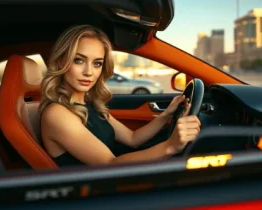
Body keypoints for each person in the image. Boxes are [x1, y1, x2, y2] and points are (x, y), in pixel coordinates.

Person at [39, 25, 201, 167]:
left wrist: (167, 114)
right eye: (79, 60)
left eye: (97, 63)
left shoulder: (90, 103)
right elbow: (110, 164)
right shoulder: (57, 114)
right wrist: (171, 146)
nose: (89, 72)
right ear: (61, 62)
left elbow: (132, 138)